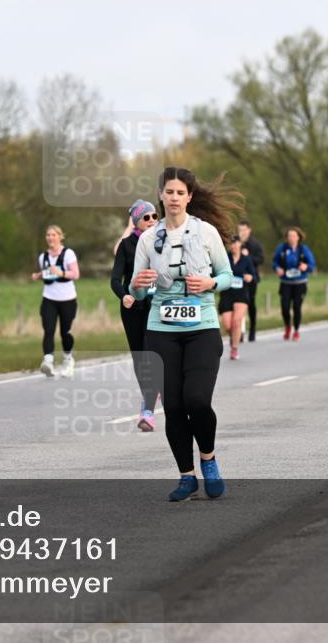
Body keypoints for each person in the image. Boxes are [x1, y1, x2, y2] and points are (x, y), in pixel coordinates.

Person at [129, 167, 240, 501]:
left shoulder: (206, 233)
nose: (174, 198)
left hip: (202, 327)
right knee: (174, 407)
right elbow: (137, 287)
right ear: (161, 195)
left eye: (180, 192)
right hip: (161, 330)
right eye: (169, 192)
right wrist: (141, 285)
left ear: (189, 197)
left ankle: (208, 459)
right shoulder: (148, 239)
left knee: (197, 400)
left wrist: (209, 283)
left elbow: (226, 275)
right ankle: (186, 477)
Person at [111, 200, 160, 432]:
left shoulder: (164, 241)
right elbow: (114, 279)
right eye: (146, 217)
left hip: (157, 305)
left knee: (152, 353)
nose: (152, 220)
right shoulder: (126, 246)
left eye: (154, 216)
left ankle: (147, 410)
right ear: (137, 221)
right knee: (140, 357)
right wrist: (124, 296)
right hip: (132, 308)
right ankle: (148, 396)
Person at [32, 225, 80, 377]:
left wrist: (61, 272)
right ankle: (48, 362)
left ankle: (68, 360)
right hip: (49, 298)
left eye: (53, 235)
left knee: (65, 332)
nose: (50, 238)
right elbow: (48, 274)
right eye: (48, 235)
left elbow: (75, 274)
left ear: (60, 237)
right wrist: (38, 276)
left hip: (67, 299)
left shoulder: (68, 254)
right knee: (48, 330)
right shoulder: (43, 257)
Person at [272, 227, 317, 341]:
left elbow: (312, 264)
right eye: (289, 236)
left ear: (298, 237)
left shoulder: (303, 250)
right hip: (286, 283)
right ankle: (288, 326)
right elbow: (275, 261)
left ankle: (296, 330)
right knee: (285, 307)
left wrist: (306, 267)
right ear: (286, 237)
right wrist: (277, 268)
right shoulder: (282, 249)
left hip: (300, 283)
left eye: (293, 236)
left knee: (297, 307)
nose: (291, 238)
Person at [219, 234, 257, 359]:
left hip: (241, 293)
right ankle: (234, 336)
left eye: (236, 243)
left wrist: (250, 277)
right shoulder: (224, 258)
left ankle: (234, 348)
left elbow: (254, 277)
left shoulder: (246, 259)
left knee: (237, 321)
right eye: (232, 243)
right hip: (227, 293)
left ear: (240, 244)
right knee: (228, 325)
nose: (234, 246)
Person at [237, 220, 265, 341]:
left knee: (251, 304)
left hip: (251, 279)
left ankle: (252, 329)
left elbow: (261, 259)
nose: (242, 233)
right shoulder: (235, 243)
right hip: (238, 279)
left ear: (249, 230)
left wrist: (248, 256)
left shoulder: (255, 244)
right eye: (240, 230)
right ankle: (240, 332)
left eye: (244, 230)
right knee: (238, 305)